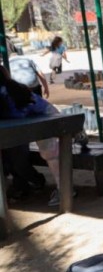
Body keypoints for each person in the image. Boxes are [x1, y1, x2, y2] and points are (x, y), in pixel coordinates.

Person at [0, 68, 63, 206]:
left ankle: (63, 189)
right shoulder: (11, 88)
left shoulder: (7, 92)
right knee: (14, 158)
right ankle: (28, 183)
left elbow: (20, 115)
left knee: (51, 154)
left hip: (45, 120)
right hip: (22, 127)